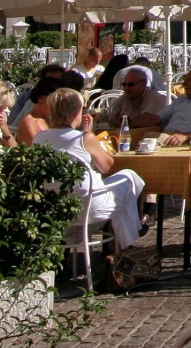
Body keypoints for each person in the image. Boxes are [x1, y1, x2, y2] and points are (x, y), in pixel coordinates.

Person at [32, 87, 145, 253]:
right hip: (89, 205)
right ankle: (126, 246)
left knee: (121, 194)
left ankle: (123, 247)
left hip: (56, 206)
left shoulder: (39, 138)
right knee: (129, 177)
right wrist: (88, 135)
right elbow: (108, 167)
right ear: (77, 111)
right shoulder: (84, 138)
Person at [96, 66, 168, 133]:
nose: (127, 88)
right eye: (124, 84)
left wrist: (123, 121)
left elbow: (150, 120)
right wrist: (120, 121)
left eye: (131, 84)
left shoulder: (156, 97)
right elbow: (107, 118)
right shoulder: (123, 98)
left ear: (143, 83)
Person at [14, 77, 60, 145]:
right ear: (40, 98)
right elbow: (35, 149)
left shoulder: (49, 120)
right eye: (52, 100)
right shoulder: (28, 122)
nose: (55, 104)